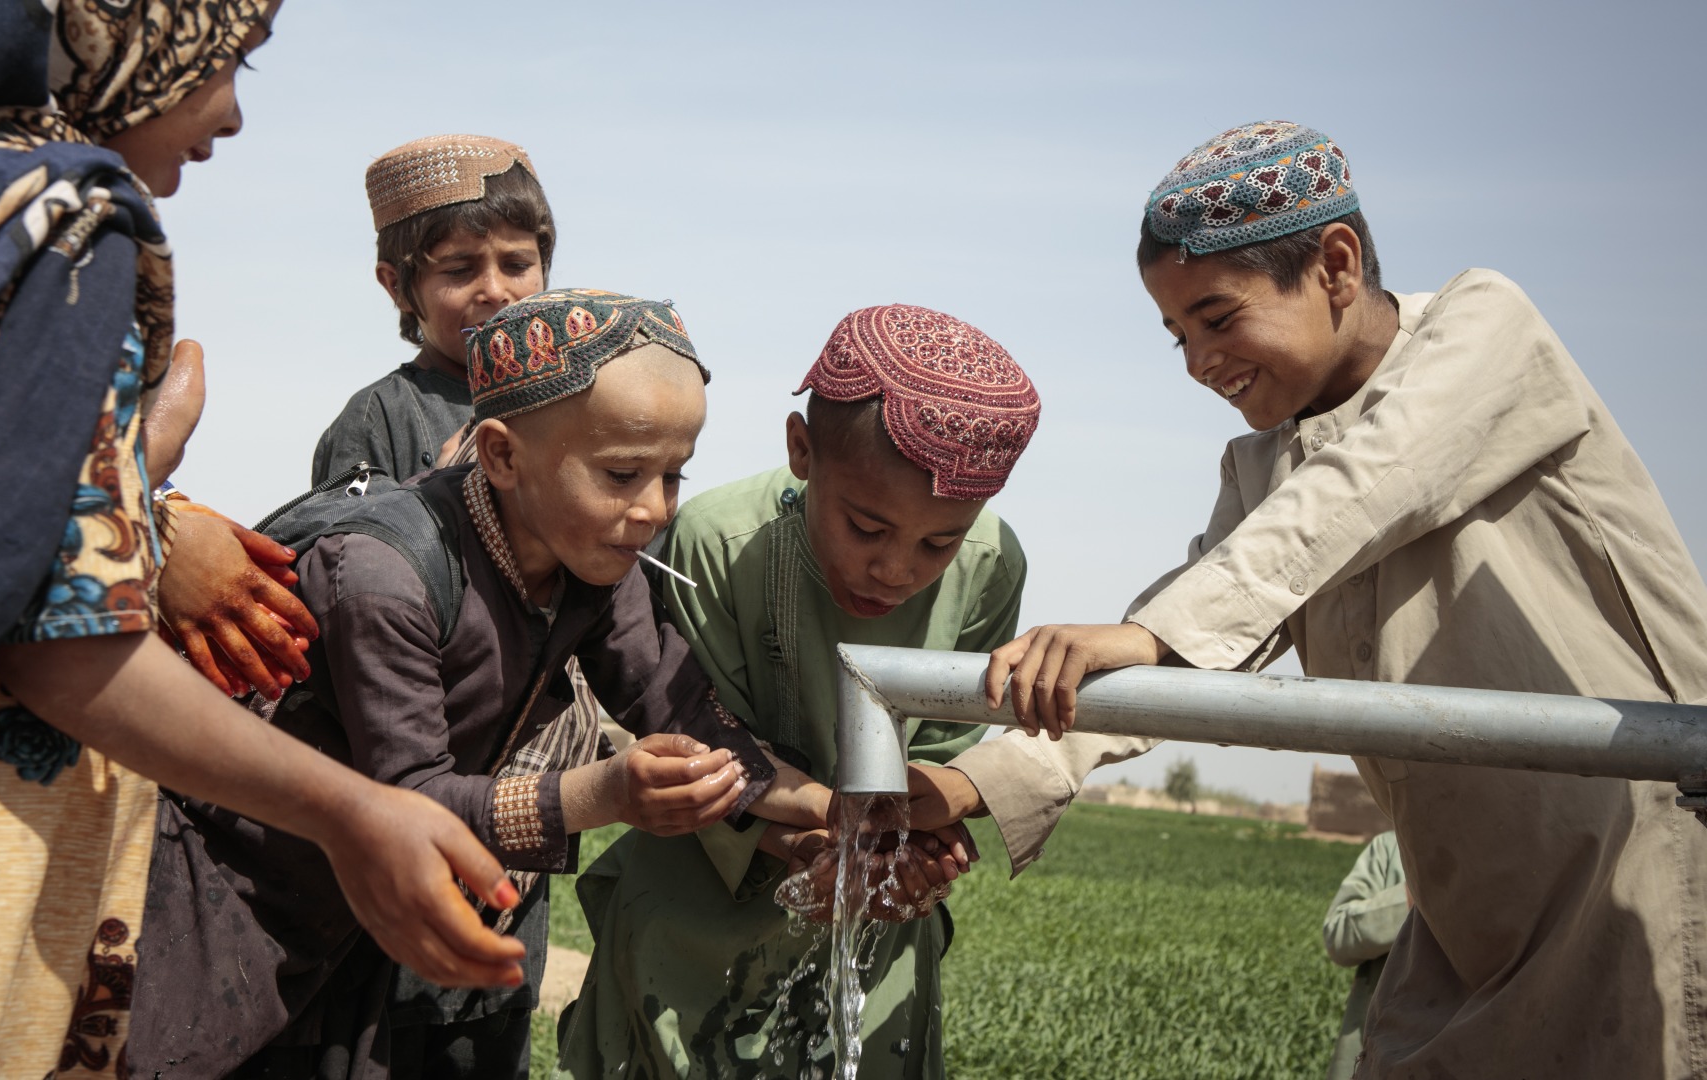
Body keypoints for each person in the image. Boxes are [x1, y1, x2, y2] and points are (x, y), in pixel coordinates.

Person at [984, 120, 1707, 1078]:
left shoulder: (1488, 330)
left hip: (1638, 868)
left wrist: (1148, 631)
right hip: (1458, 907)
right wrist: (971, 787)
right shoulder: (1265, 471)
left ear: (1336, 264)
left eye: (1218, 320)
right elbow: (1190, 640)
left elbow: (1365, 487)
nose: (1196, 363)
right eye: (1177, 335)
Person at [0, 2, 528, 1073]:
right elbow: (61, 641)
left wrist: (137, 488)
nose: (233, 114)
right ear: (130, 29)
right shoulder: (57, 216)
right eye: (230, 58)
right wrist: (349, 810)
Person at [130, 290, 780, 1078]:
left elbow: (674, 700)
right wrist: (604, 795)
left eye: (673, 477)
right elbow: (408, 801)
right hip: (215, 899)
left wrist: (825, 810)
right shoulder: (383, 570)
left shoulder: (588, 561)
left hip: (344, 925)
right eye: (621, 474)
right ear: (503, 456)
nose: (650, 510)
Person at [558, 303, 1040, 1079]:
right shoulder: (716, 543)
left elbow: (945, 759)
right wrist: (818, 839)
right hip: (693, 914)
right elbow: (690, 739)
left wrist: (911, 850)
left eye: (937, 543)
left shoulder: (990, 564)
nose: (897, 569)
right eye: (867, 528)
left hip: (875, 915)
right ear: (801, 450)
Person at [311, 133, 553, 487]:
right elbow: (345, 540)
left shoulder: (579, 398)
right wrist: (441, 491)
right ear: (397, 285)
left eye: (517, 265)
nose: (495, 292)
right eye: (459, 271)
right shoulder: (378, 419)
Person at [1323, 831, 1408, 1080]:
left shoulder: (1513, 856)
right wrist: (1411, 897)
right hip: (1376, 1051)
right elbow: (1336, 936)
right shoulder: (1390, 848)